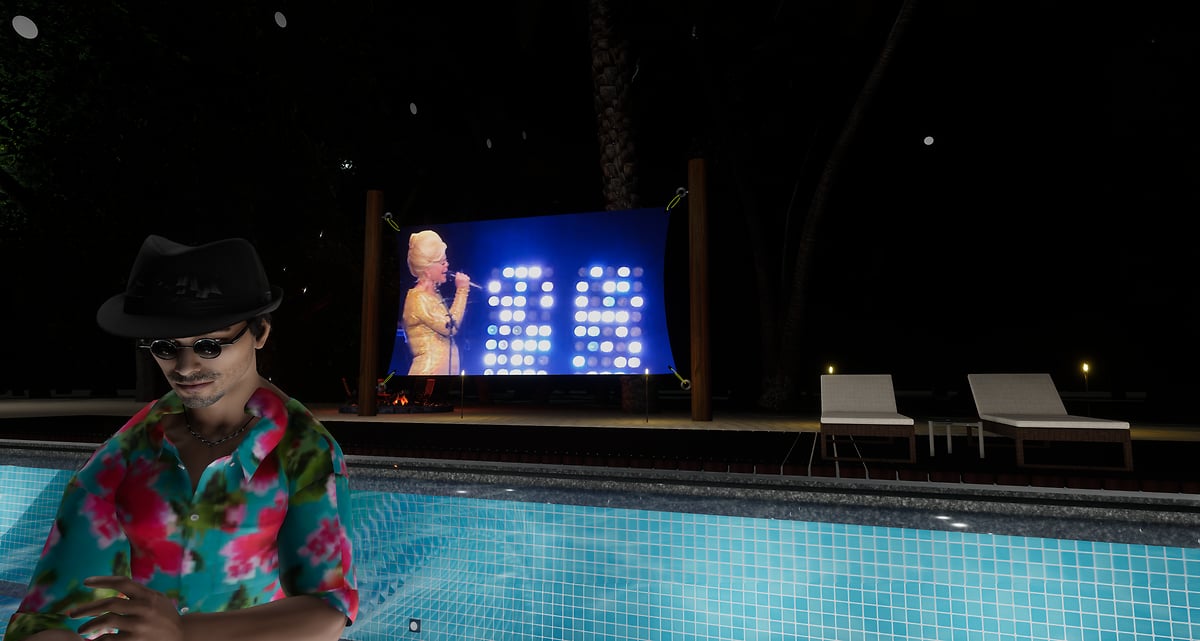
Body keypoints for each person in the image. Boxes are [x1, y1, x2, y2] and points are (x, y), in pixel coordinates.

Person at [3, 236, 358, 641]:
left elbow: (328, 610)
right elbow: (48, 615)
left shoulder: (304, 450)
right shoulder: (126, 452)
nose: (186, 367)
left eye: (209, 346)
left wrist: (181, 632)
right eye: (166, 347)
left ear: (260, 332)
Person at [402, 229, 471, 376]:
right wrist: (462, 291)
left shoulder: (434, 295)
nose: (447, 265)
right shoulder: (418, 298)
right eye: (442, 262)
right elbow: (450, 327)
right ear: (428, 269)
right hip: (428, 374)